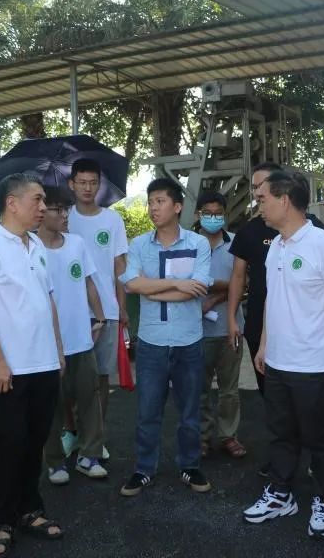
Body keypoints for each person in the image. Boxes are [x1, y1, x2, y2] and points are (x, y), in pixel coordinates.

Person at [242, 171, 324, 540]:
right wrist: (264, 345)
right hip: (277, 360)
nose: (258, 205)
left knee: (318, 437)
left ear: (285, 200)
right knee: (281, 433)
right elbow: (272, 301)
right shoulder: (276, 245)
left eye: (263, 198)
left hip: (312, 363)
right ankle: (281, 494)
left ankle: (323, 499)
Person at [0, 172, 66, 558]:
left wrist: (58, 350)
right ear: (12, 203)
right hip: (9, 370)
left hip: (44, 364)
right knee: (10, 446)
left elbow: (48, 300)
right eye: (37, 200)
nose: (44, 207)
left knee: (35, 442)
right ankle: (3, 521)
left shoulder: (36, 245)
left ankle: (30, 510)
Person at [118, 177, 214, 496]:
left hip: (189, 341)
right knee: (148, 411)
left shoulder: (198, 244)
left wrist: (153, 290)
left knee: (190, 411)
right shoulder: (139, 245)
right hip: (152, 342)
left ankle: (190, 466)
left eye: (160, 201)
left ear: (177, 207)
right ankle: (144, 468)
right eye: (150, 202)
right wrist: (176, 284)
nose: (153, 208)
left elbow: (197, 288)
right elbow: (132, 284)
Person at [227, 162, 324, 394]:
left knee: (305, 399)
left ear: (281, 189)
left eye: (261, 186)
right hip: (259, 324)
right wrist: (232, 318)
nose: (257, 193)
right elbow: (238, 276)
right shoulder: (251, 232)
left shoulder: (315, 230)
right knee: (272, 396)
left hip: (304, 333)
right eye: (254, 187)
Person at [39, 187, 109, 485]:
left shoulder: (77, 244)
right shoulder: (31, 249)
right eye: (57, 209)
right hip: (46, 344)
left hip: (81, 338)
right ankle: (55, 462)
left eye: (66, 209)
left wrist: (100, 317)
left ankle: (89, 456)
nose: (64, 215)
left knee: (89, 398)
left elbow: (89, 283)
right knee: (51, 404)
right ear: (42, 212)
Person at [68, 158, 129, 460]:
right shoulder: (63, 218)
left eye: (93, 182)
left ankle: (96, 437)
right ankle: (72, 433)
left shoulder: (112, 220)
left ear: (99, 185)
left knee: (102, 378)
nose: (88, 188)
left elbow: (120, 267)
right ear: (72, 184)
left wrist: (122, 308)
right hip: (72, 313)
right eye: (82, 182)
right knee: (71, 378)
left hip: (107, 311)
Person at [194, 190, 247, 459]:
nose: (213, 218)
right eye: (208, 213)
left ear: (225, 215)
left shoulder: (237, 243)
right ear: (198, 214)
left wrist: (213, 295)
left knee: (229, 390)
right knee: (199, 389)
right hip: (197, 331)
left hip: (230, 327)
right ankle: (201, 438)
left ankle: (229, 435)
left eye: (218, 214)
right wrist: (225, 286)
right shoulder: (189, 244)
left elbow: (243, 283)